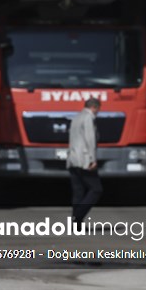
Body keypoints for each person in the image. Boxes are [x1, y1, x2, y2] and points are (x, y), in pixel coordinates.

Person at [67, 97, 102, 228]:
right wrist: (93, 159)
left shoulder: (76, 118)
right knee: (96, 189)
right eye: (98, 109)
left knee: (78, 191)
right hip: (84, 159)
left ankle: (76, 224)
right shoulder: (88, 118)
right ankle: (78, 217)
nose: (98, 112)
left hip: (73, 158)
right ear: (95, 107)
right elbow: (90, 139)